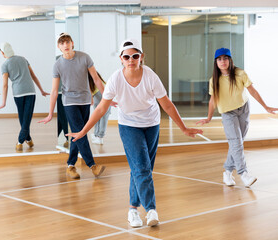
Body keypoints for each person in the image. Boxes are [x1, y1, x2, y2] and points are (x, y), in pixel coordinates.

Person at [67, 39, 202, 227]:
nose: (131, 59)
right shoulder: (115, 79)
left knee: (141, 168)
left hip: (152, 124)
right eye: (127, 56)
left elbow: (167, 105)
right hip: (129, 126)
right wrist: (83, 131)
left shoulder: (150, 76)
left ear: (141, 57)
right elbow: (100, 109)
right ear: (121, 59)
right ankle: (151, 209)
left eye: (135, 56)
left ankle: (132, 210)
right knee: (141, 168)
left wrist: (184, 128)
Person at [197, 48, 278, 188]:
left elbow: (252, 90)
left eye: (225, 58)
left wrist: (265, 107)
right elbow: (212, 100)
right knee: (236, 143)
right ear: (216, 62)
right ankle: (244, 174)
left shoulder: (240, 74)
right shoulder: (214, 80)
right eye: (219, 59)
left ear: (230, 60)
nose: (223, 61)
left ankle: (227, 171)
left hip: (244, 109)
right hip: (228, 114)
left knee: (237, 143)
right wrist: (208, 118)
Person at [39, 32, 110, 179]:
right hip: (69, 102)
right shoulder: (57, 65)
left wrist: (106, 98)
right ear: (59, 47)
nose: (65, 45)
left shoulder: (85, 57)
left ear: (72, 44)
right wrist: (50, 113)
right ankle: (92, 166)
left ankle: (70, 166)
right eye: (62, 43)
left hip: (84, 100)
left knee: (77, 134)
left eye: (67, 42)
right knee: (80, 132)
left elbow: (96, 79)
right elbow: (54, 91)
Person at [0, 42, 49, 151]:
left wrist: (3, 102)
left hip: (18, 93)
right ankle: (28, 139)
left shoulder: (5, 65)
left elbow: (5, 85)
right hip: (30, 91)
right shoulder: (23, 59)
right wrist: (41, 90)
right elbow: (33, 76)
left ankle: (20, 141)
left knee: (24, 118)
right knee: (25, 118)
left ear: (2, 52)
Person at [88, 71, 111, 145]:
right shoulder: (99, 80)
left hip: (97, 95)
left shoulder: (92, 79)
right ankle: (99, 136)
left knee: (98, 116)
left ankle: (97, 135)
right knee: (104, 116)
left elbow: (89, 88)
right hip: (101, 95)